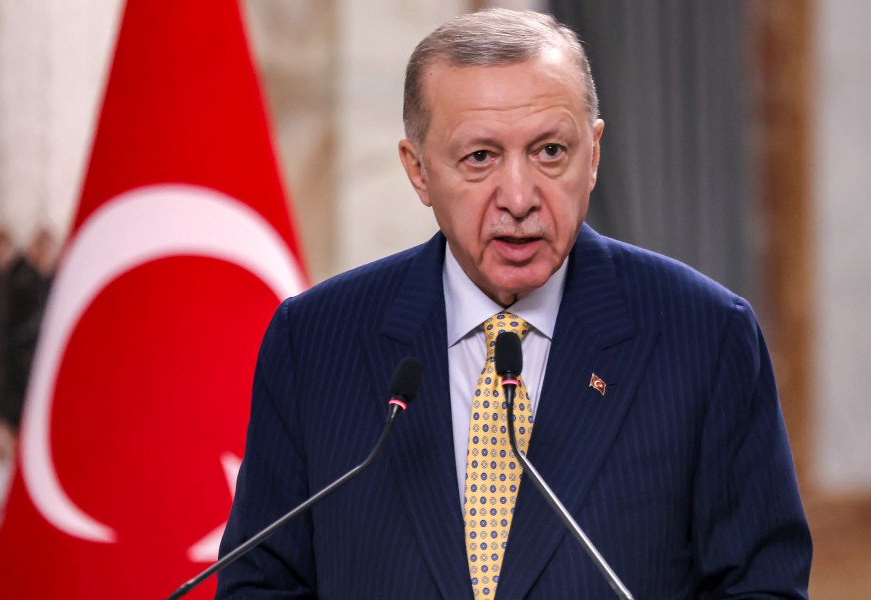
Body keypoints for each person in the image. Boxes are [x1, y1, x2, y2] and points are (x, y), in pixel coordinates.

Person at [217, 9, 811, 599]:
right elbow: (260, 585)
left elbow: (761, 589)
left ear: (594, 153)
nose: (521, 197)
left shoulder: (704, 337)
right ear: (418, 171)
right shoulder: (316, 341)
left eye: (550, 151)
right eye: (480, 158)